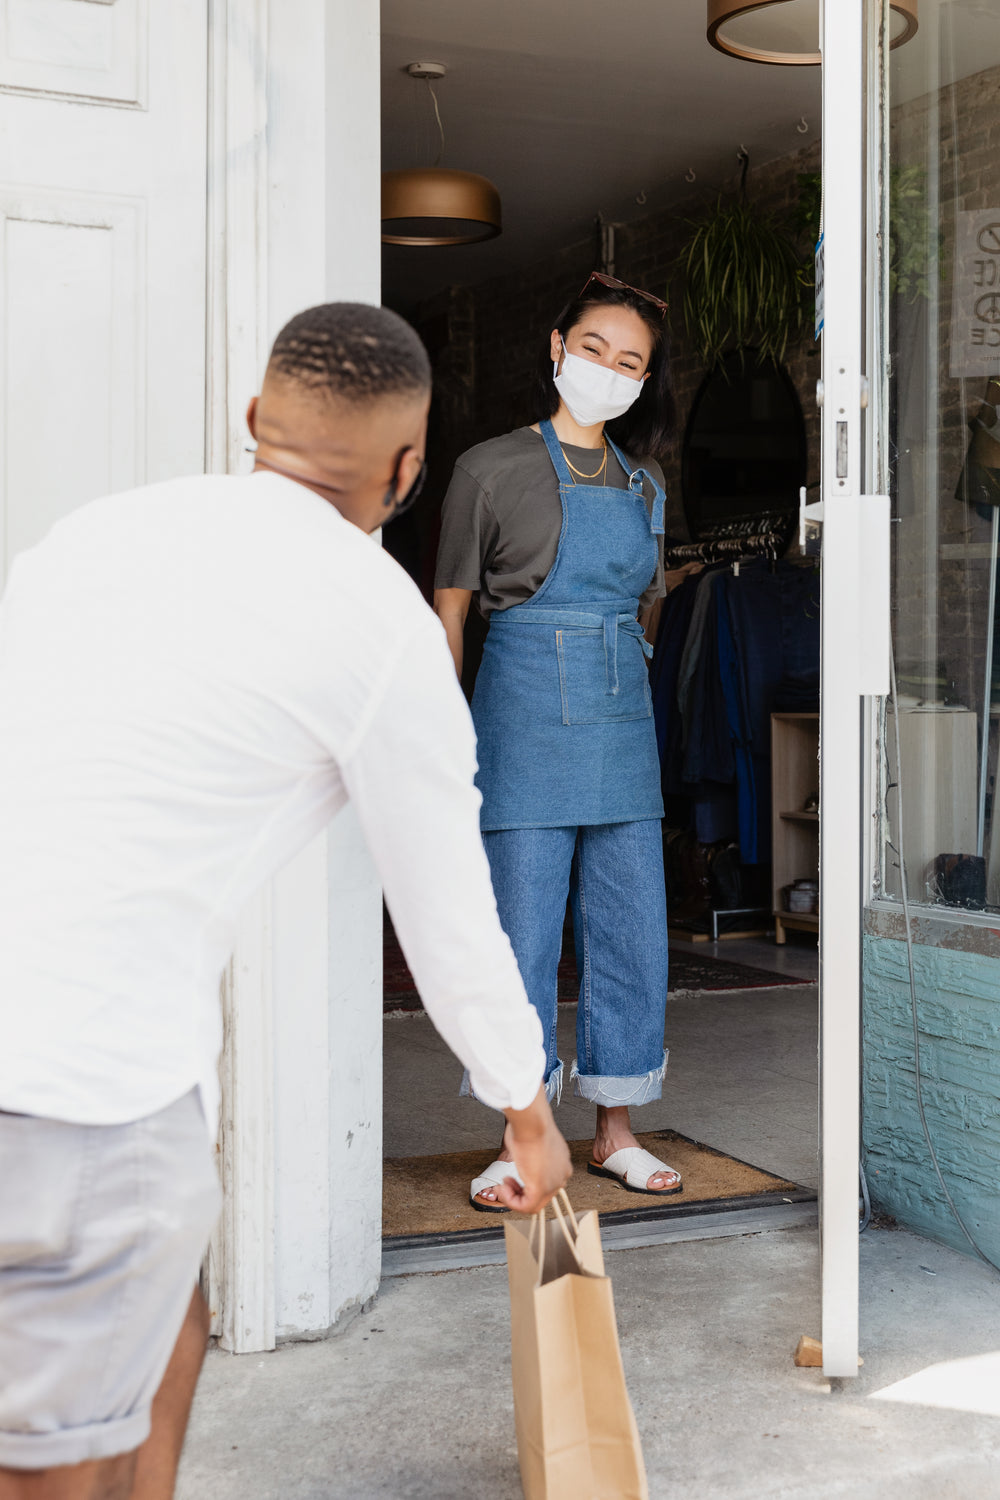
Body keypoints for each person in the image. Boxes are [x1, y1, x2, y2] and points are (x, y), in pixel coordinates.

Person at [0, 303, 571, 1500]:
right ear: (409, 471)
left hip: (70, 1066)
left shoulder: (99, 533)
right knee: (57, 1464)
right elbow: (447, 908)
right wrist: (525, 1108)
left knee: (175, 1330)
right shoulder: (380, 627)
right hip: (76, 1092)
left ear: (256, 420)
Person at [434, 273, 700, 1212]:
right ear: (557, 348)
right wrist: (441, 734)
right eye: (596, 350)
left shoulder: (645, 483)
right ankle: (523, 1134)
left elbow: (647, 605)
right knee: (522, 929)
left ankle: (616, 1129)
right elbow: (452, 610)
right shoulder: (487, 468)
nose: (611, 372)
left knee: (630, 926)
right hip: (519, 710)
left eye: (631, 363)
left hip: (621, 714)